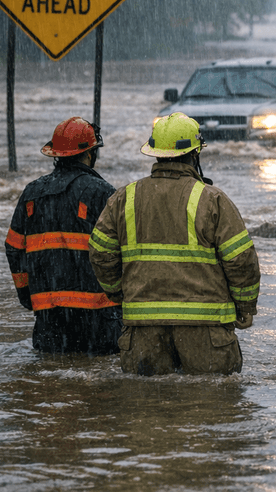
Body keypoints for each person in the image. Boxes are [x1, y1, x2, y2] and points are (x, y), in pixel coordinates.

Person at [89, 112, 260, 376]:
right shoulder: (212, 199)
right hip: (206, 334)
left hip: (143, 334)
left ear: (155, 153)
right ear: (195, 154)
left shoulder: (124, 198)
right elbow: (240, 261)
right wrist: (245, 307)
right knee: (213, 406)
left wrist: (121, 294)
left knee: (147, 409)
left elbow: (100, 253)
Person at [4, 117, 122, 355]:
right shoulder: (103, 192)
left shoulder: (32, 193)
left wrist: (27, 296)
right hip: (98, 322)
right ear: (90, 154)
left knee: (52, 384)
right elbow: (125, 250)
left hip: (50, 321)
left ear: (56, 154)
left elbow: (13, 248)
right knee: (99, 384)